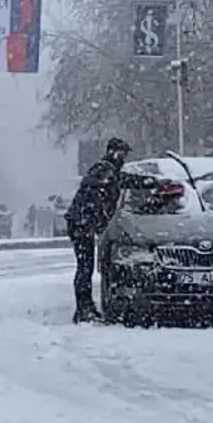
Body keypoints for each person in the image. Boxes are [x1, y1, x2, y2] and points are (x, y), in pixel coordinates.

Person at [64, 137, 154, 324]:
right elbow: (118, 182)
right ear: (114, 152)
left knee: (86, 267)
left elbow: (120, 182)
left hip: (83, 223)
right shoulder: (103, 169)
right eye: (122, 154)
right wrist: (149, 182)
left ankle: (85, 308)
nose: (124, 158)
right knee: (85, 267)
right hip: (82, 224)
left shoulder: (107, 171)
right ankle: (83, 309)